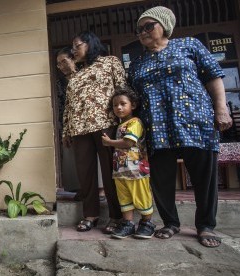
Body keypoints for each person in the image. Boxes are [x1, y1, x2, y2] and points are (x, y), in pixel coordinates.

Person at [128, 6, 232, 247]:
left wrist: (221, 108)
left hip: (195, 120)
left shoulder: (189, 45)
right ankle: (171, 223)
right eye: (139, 29)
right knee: (162, 179)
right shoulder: (137, 64)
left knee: (203, 176)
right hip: (157, 127)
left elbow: (213, 76)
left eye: (148, 26)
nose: (142, 32)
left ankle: (206, 225)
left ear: (164, 27)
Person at [62, 31, 124, 233]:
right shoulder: (76, 74)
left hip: (105, 123)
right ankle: (91, 215)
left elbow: (122, 90)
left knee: (110, 172)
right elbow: (68, 105)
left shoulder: (110, 62)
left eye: (76, 46)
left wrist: (125, 122)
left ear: (90, 44)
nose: (73, 51)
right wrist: (66, 131)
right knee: (85, 175)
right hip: (79, 129)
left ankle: (116, 216)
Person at [101, 87, 154, 239]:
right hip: (121, 170)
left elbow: (128, 142)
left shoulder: (135, 122)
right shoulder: (120, 125)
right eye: (115, 105)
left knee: (141, 196)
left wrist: (109, 142)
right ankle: (128, 224)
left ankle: (146, 223)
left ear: (133, 105)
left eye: (123, 104)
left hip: (136, 170)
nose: (118, 107)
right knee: (124, 198)